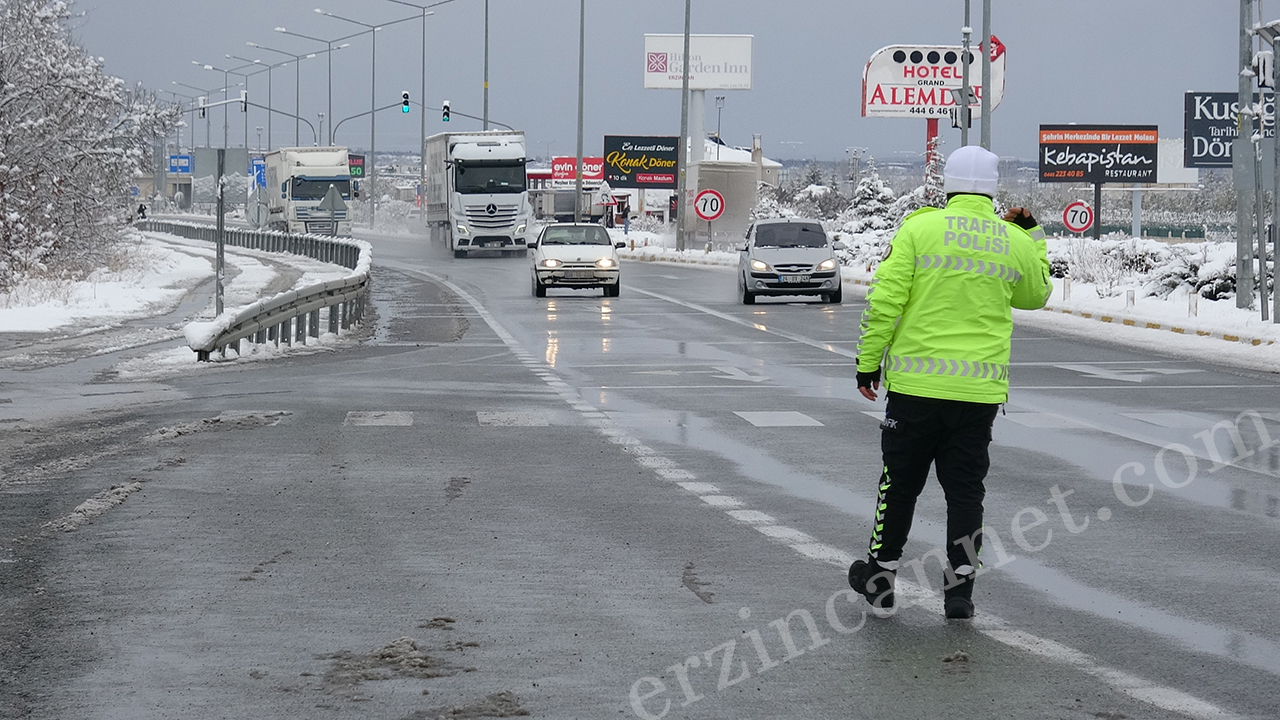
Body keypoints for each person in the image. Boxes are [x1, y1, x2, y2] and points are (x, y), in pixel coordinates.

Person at [847, 145, 1052, 620]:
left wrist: (867, 363)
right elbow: (1037, 293)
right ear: (994, 189)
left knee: (899, 487)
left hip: (915, 390)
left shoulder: (920, 229)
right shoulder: (1011, 239)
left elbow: (885, 302)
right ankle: (960, 592)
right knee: (965, 493)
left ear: (947, 185)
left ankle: (880, 580)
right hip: (977, 396)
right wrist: (1034, 236)